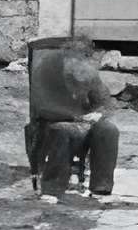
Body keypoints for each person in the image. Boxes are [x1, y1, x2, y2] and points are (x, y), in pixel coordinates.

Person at [32, 37, 119, 202]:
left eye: (84, 61)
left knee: (109, 130)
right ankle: (52, 189)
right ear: (67, 59)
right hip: (50, 121)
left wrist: (98, 114)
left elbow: (105, 102)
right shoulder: (46, 71)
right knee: (63, 130)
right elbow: (42, 105)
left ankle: (101, 188)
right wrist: (76, 117)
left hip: (81, 123)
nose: (82, 67)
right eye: (77, 61)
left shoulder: (87, 73)